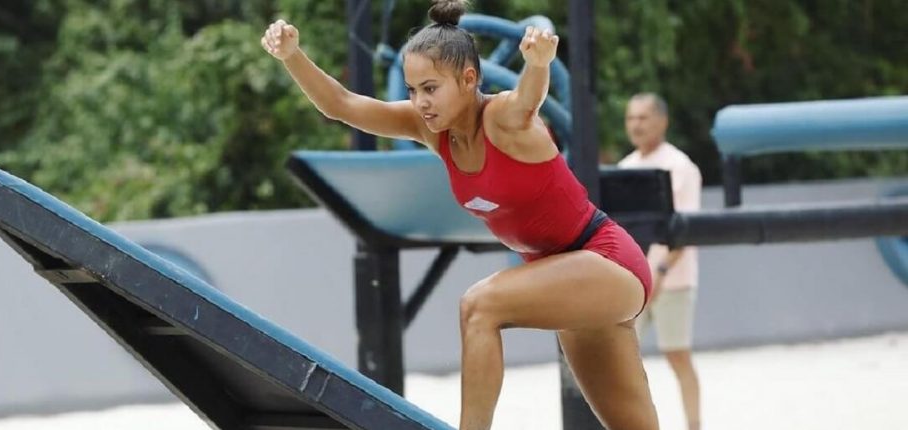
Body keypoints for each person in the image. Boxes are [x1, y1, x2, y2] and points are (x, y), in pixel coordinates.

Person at [262, 1, 658, 428]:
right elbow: (341, 104)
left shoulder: (502, 118)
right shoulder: (430, 129)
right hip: (566, 279)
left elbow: (528, 100)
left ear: (469, 79)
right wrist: (292, 56)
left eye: (430, 88)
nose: (420, 102)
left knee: (479, 306)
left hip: (606, 260)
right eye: (412, 90)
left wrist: (538, 64)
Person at [619, 93, 703, 430]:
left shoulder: (680, 167)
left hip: (673, 280)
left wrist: (662, 270)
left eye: (643, 117)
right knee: (621, 359)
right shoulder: (625, 168)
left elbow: (687, 227)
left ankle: (694, 425)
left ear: (662, 122)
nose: (636, 125)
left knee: (677, 355)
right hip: (632, 283)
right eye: (631, 118)